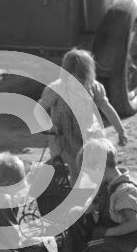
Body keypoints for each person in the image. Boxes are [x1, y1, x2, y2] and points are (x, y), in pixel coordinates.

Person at [36, 49, 128, 183]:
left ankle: (96, 193)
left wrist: (121, 130)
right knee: (75, 168)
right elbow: (39, 110)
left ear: (89, 77)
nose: (78, 85)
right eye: (73, 80)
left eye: (82, 81)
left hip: (88, 137)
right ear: (65, 75)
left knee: (94, 166)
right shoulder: (55, 90)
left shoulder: (94, 87)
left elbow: (107, 108)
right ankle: (76, 196)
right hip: (64, 140)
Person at [68, 138, 137, 252]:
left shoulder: (125, 191)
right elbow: (102, 205)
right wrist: (89, 209)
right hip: (106, 230)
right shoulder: (107, 184)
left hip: (124, 239)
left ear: (99, 168)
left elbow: (133, 223)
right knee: (75, 214)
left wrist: (107, 233)